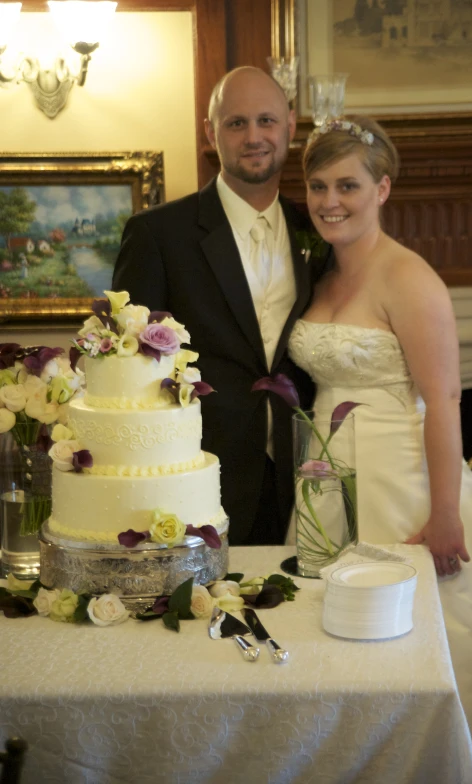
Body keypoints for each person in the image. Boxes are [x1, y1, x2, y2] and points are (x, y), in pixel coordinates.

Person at [287, 116, 472, 783]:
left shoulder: (409, 277)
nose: (330, 200)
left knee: (409, 643)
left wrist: (445, 512)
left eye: (349, 186)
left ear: (382, 189)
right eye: (318, 185)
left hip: (404, 480)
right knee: (339, 637)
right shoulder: (323, 276)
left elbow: (444, 401)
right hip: (327, 472)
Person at [112, 66, 326, 546]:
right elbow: (132, 375)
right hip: (199, 479)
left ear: (290, 126)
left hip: (303, 476)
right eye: (236, 123)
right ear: (211, 133)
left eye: (266, 121)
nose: (254, 137)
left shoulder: (316, 229)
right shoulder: (158, 235)